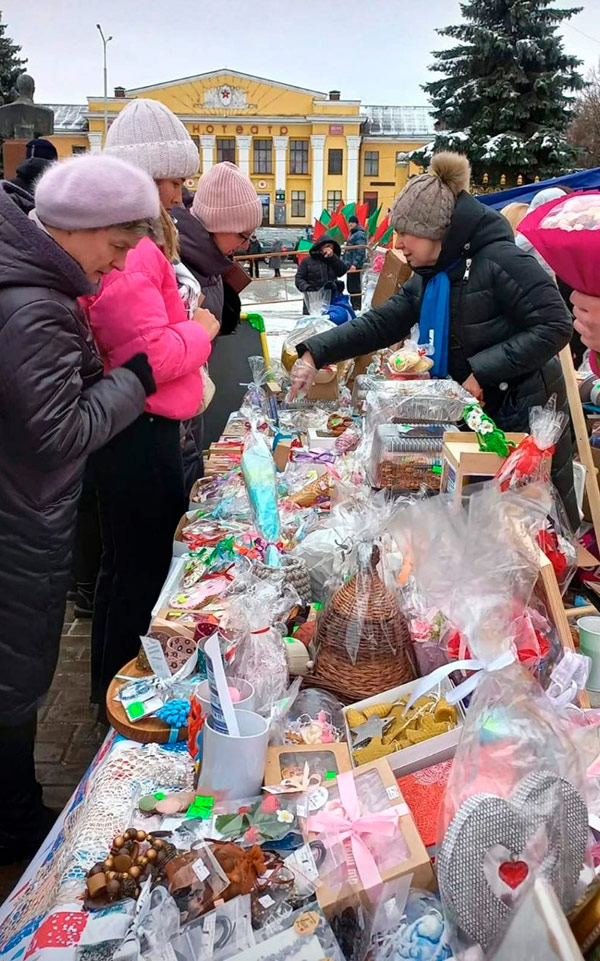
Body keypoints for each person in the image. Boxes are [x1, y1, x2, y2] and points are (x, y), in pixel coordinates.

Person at [0, 154, 160, 863]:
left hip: (20, 512)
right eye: (117, 247)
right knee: (12, 679)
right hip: (17, 523)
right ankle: (14, 824)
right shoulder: (36, 306)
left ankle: (16, 809)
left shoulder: (38, 290)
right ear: (78, 228)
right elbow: (58, 430)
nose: (121, 265)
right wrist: (135, 378)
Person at [290, 152, 577, 528]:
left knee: (526, 535)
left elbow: (556, 325)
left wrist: (483, 372)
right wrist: (315, 352)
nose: (400, 242)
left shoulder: (501, 260)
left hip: (520, 417)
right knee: (476, 532)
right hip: (475, 418)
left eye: (407, 232)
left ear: (437, 229)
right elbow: (382, 322)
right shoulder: (434, 272)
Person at [85, 99, 220, 707]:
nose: (180, 194)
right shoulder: (137, 250)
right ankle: (127, 697)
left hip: (134, 427)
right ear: (145, 177)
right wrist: (203, 331)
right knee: (140, 573)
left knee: (123, 567)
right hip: (141, 432)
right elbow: (151, 356)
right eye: (173, 180)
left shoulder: (136, 244)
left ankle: (107, 692)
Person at [172, 163, 263, 490]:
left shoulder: (206, 260)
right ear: (218, 223)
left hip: (191, 398)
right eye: (242, 234)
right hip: (174, 408)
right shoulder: (181, 263)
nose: (246, 244)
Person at [294, 235, 348, 312]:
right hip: (313, 298)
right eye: (327, 246)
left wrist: (333, 257)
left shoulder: (333, 259)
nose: (330, 249)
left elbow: (342, 271)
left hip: (331, 297)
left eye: (331, 247)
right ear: (320, 247)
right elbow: (299, 278)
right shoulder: (307, 261)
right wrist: (308, 289)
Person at [344, 214, 367, 310]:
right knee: (351, 286)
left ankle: (356, 307)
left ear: (355, 223)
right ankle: (354, 306)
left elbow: (360, 250)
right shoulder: (354, 233)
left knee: (355, 286)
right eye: (349, 223)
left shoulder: (359, 234)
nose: (349, 225)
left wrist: (355, 264)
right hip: (350, 265)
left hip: (354, 265)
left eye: (351, 223)